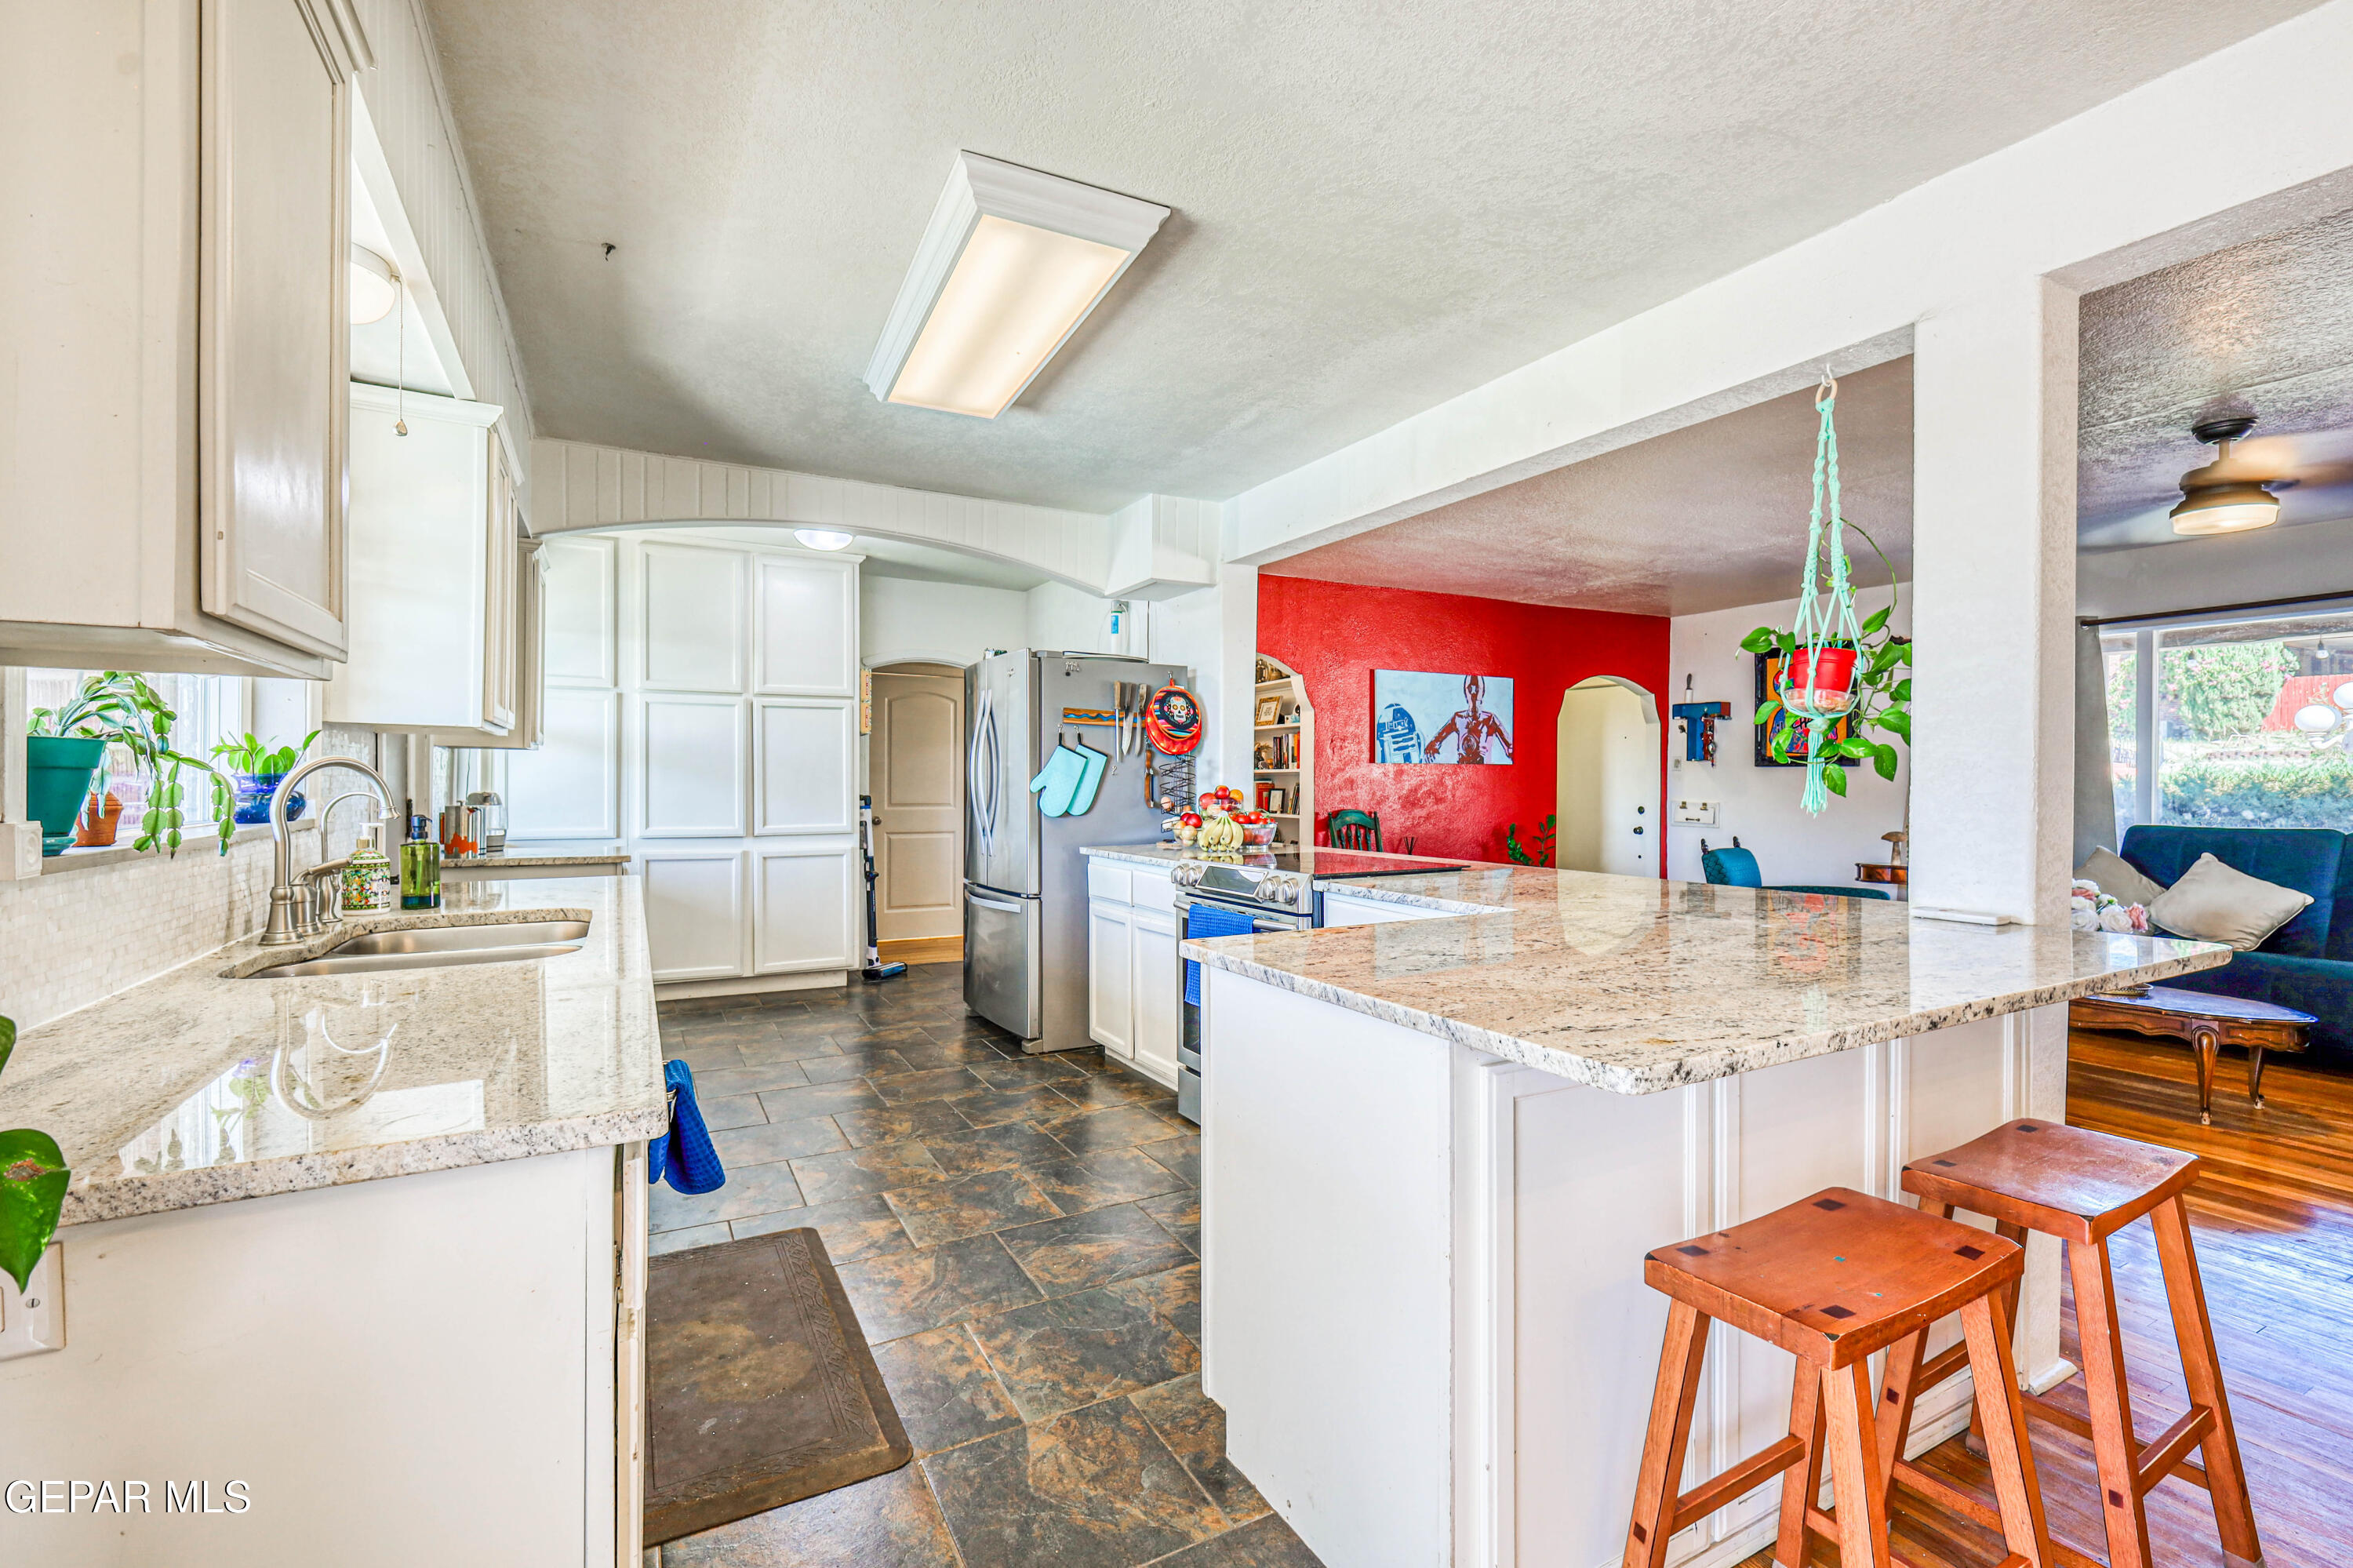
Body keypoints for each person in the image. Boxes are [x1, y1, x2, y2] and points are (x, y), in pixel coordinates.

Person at [1423, 675, 1512, 764]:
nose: (1473, 693)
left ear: (1483, 692)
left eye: (1477, 689)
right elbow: (1437, 740)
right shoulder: (1458, 718)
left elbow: (1510, 747)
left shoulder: (1490, 719)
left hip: (1483, 770)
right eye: (1470, 689)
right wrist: (1432, 747)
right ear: (1465, 693)